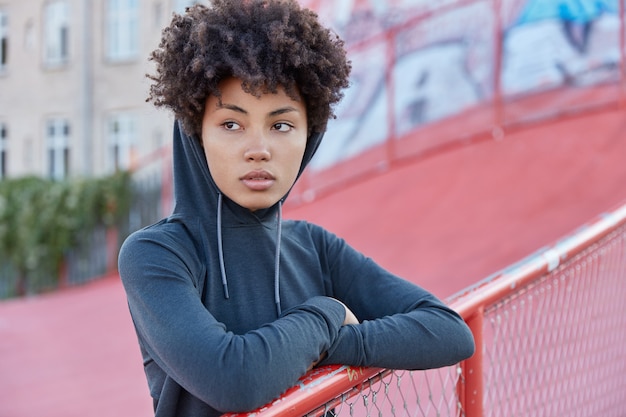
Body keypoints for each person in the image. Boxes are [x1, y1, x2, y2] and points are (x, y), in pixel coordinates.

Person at [118, 1, 475, 416]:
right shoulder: (158, 254)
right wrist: (326, 315)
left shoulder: (314, 246)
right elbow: (234, 380)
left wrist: (331, 344)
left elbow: (448, 331)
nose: (259, 150)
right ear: (196, 133)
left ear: (310, 136)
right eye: (231, 124)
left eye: (281, 125)